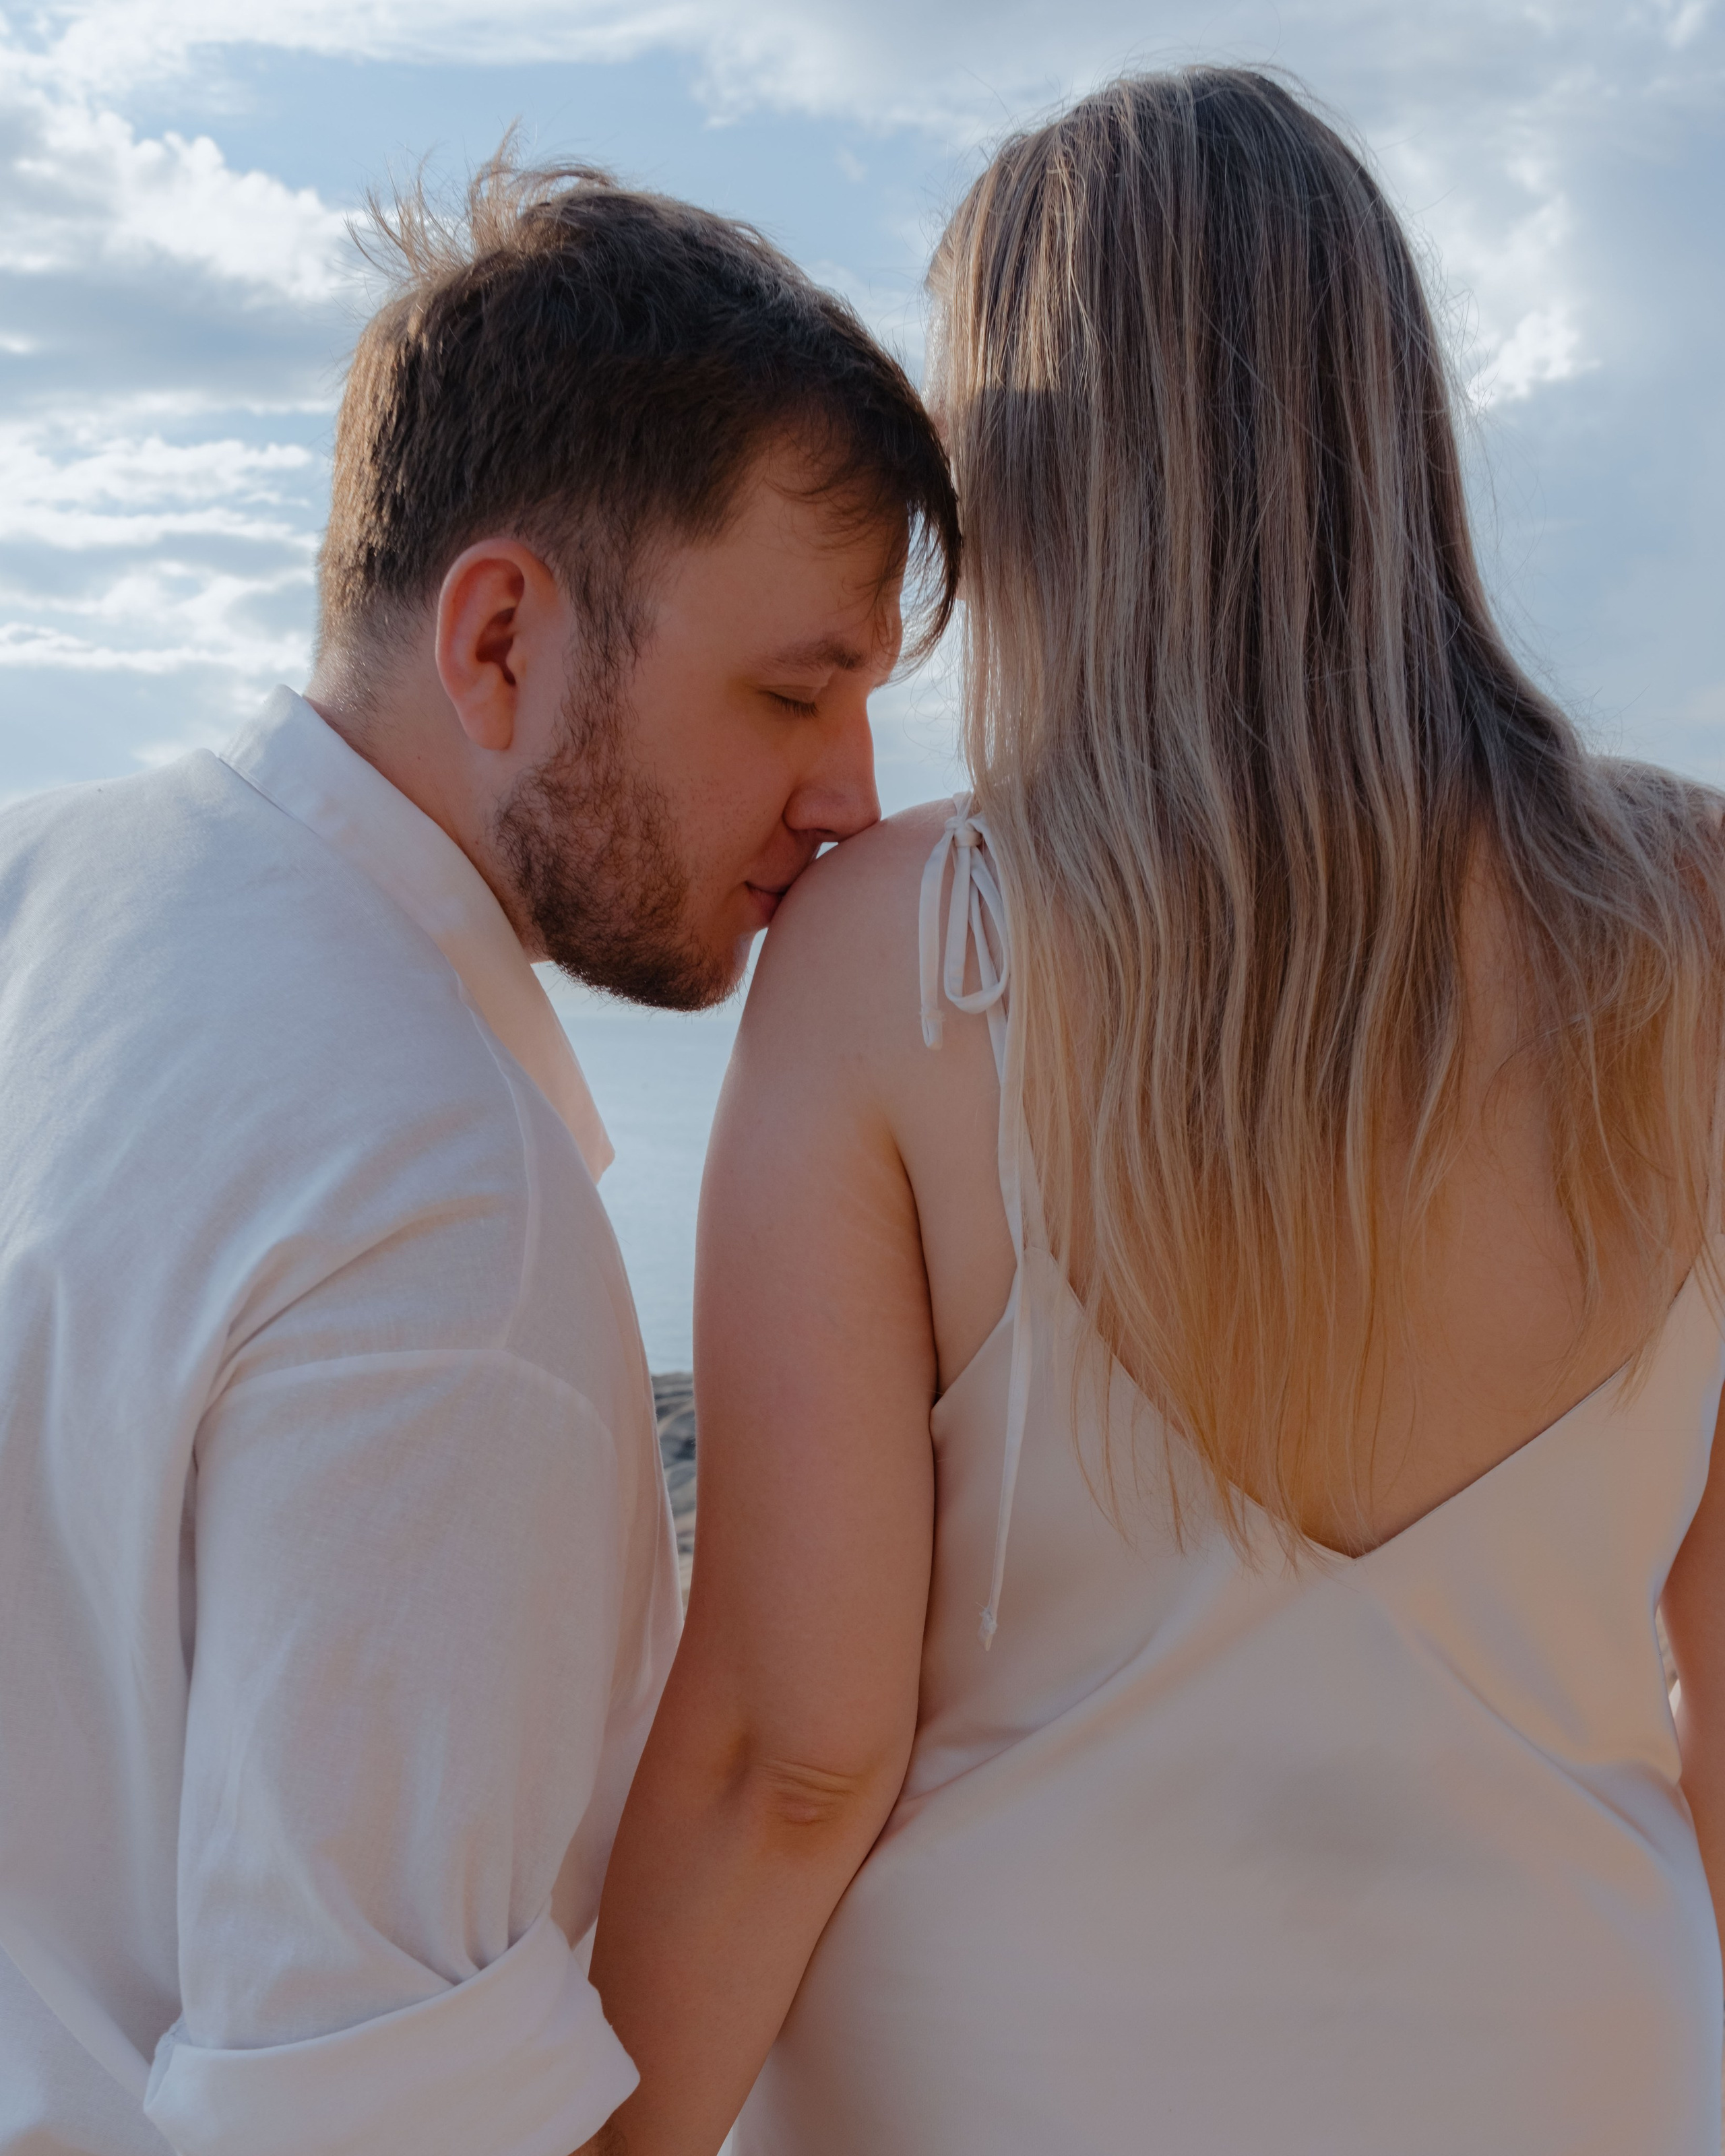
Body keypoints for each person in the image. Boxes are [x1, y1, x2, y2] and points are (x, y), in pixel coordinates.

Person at [590, 68, 1725, 2155]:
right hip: (1576, 2076)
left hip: (994, 2082)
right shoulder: (1697, 927)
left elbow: (790, 1759)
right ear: (1396, 423)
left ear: (1022, 476)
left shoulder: (901, 953)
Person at [0, 152, 955, 2156]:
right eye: (794, 693)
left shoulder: (46, 893)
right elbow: (354, 2123)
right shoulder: (437, 1210)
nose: (853, 800)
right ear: (501, 637)